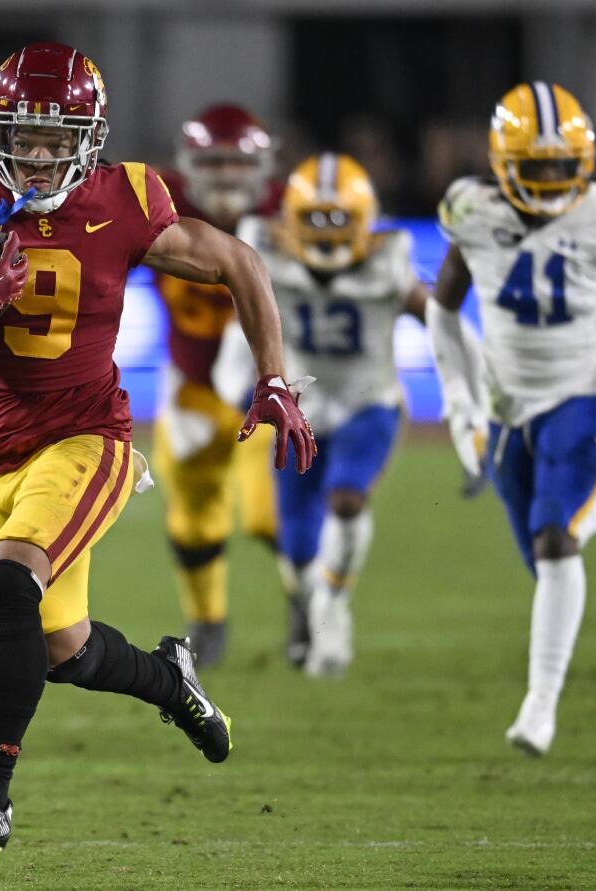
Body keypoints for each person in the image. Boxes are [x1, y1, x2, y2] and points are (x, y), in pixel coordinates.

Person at [0, 42, 316, 847]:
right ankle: (173, 681)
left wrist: (275, 380)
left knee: (12, 582)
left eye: (59, 140)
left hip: (89, 437)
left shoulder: (127, 199)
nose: (41, 156)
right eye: (25, 136)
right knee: (63, 649)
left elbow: (239, 262)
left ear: (91, 137)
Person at [428, 81, 596, 756]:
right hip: (506, 406)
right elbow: (443, 310)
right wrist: (459, 403)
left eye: (566, 168)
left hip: (582, 394)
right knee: (541, 558)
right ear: (504, 164)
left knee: (555, 542)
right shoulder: (472, 210)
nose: (554, 182)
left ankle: (540, 704)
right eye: (539, 169)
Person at [214, 153, 430, 677]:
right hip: (300, 408)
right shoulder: (265, 250)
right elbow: (244, 323)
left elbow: (439, 320)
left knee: (346, 498)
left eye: (338, 219)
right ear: (290, 216)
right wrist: (234, 381)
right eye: (314, 218)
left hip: (366, 402)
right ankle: (320, 611)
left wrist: (473, 391)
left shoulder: (389, 258)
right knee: (296, 544)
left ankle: (330, 613)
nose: (326, 232)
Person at [153, 105, 283, 667]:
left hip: (268, 384)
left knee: (268, 511)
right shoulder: (157, 204)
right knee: (192, 508)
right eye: (216, 162)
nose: (228, 174)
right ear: (189, 164)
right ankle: (206, 622)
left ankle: (314, 607)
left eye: (238, 162)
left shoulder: (292, 210)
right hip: (192, 385)